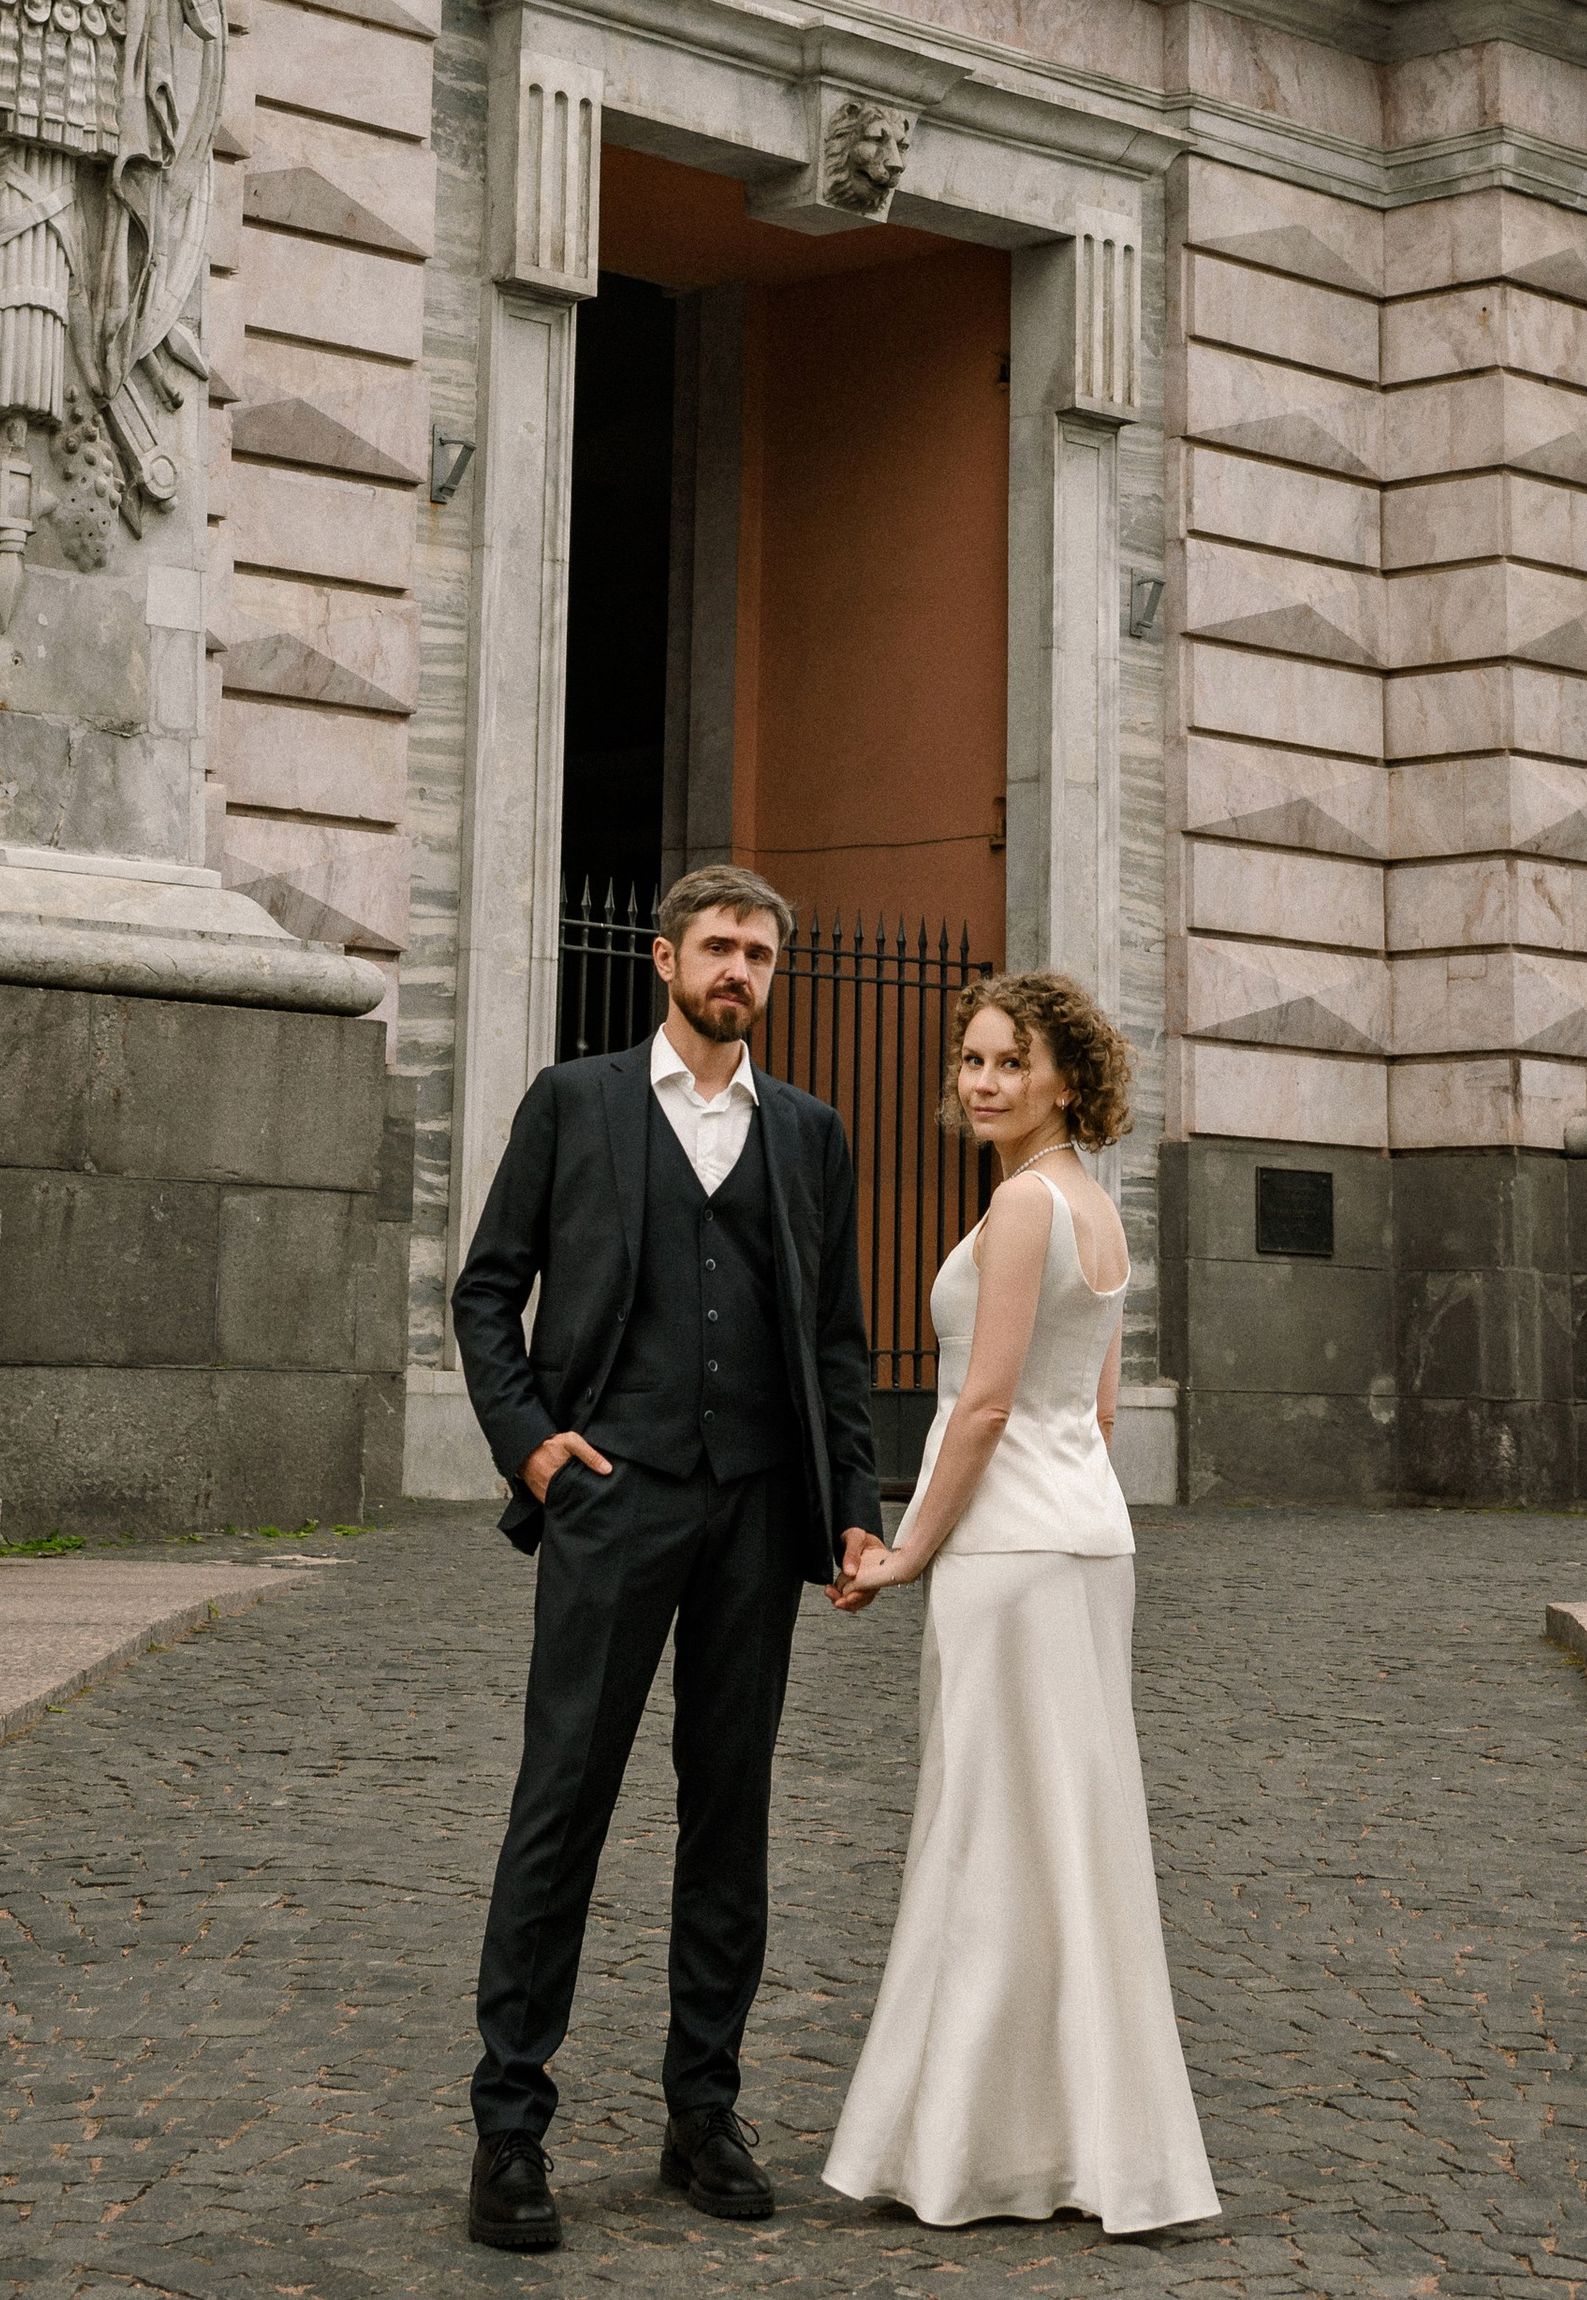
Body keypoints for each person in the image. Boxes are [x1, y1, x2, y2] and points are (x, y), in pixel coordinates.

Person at [451, 863, 884, 2254]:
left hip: (757, 1508)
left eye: (759, 949)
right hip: (613, 1495)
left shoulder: (809, 1132)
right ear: (662, 956)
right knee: (562, 1796)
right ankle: (510, 2122)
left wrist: (851, 1507)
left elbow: (834, 1341)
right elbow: (484, 1287)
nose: (738, 967)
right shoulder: (576, 1101)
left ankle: (704, 2108)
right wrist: (530, 1443)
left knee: (730, 1806)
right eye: (718, 944)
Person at [823, 971, 1218, 2236]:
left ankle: (971, 2151)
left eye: (1007, 1061)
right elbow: (1092, 1413)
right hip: (1087, 1543)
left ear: (1063, 1078)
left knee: (990, 1839)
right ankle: (1084, 2148)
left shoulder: (1017, 1207)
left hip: (1006, 1555)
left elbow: (983, 1407)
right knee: (1072, 1843)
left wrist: (903, 1551)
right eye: (972, 1059)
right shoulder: (1100, 1210)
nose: (980, 1080)